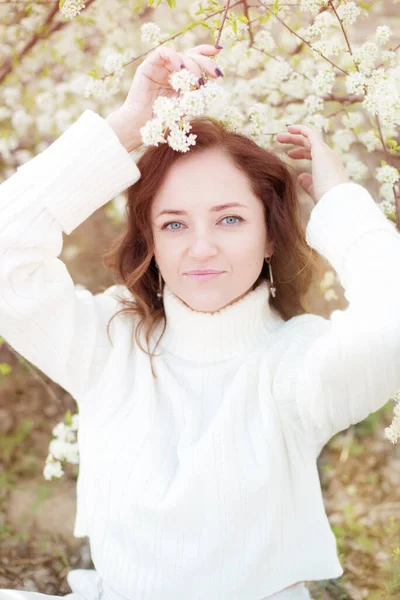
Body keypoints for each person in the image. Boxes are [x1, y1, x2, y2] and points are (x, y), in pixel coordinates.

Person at [1, 42, 400, 600]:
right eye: (174, 225)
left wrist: (339, 202)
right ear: (152, 244)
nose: (202, 248)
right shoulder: (110, 344)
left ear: (269, 236)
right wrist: (127, 126)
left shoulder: (295, 367)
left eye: (230, 218)